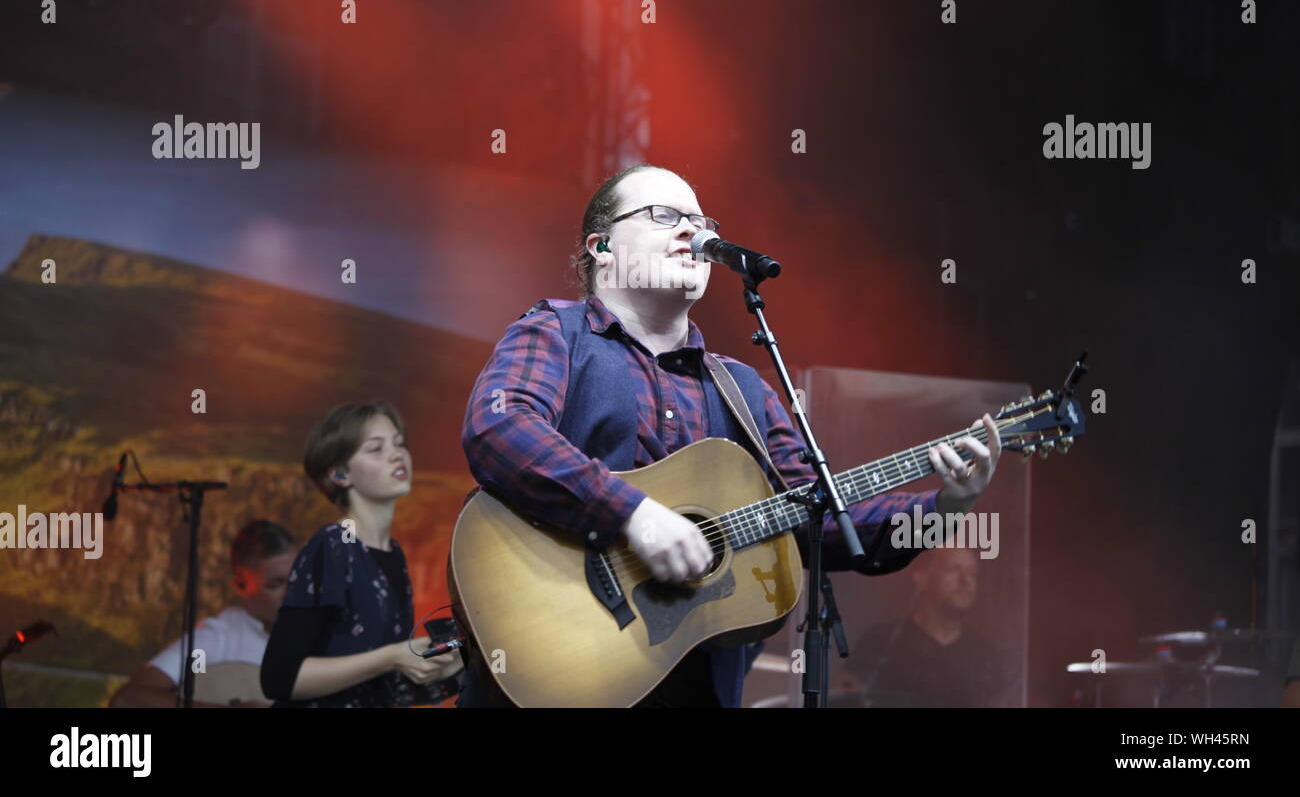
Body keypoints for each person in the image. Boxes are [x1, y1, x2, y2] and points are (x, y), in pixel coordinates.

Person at [457, 164, 1001, 707]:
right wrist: (632, 515)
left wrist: (949, 504)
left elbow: (821, 514)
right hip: (560, 666)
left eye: (698, 220)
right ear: (602, 248)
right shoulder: (556, 332)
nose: (691, 232)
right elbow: (500, 426)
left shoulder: (743, 389)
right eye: (663, 216)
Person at [259, 400, 462, 707]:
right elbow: (279, 678)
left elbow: (383, 685)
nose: (397, 454)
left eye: (399, 443)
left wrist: (447, 663)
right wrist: (392, 658)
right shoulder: (333, 546)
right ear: (340, 475)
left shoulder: (392, 552)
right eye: (375, 448)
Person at [109, 519, 297, 708]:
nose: (293, 592)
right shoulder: (215, 639)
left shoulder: (320, 634)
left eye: (297, 577)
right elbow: (127, 700)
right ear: (240, 583)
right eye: (275, 585)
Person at [850, 546, 1005, 706]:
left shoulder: (985, 657)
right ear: (921, 577)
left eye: (973, 573)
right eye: (953, 569)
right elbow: (845, 697)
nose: (965, 580)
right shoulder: (883, 642)